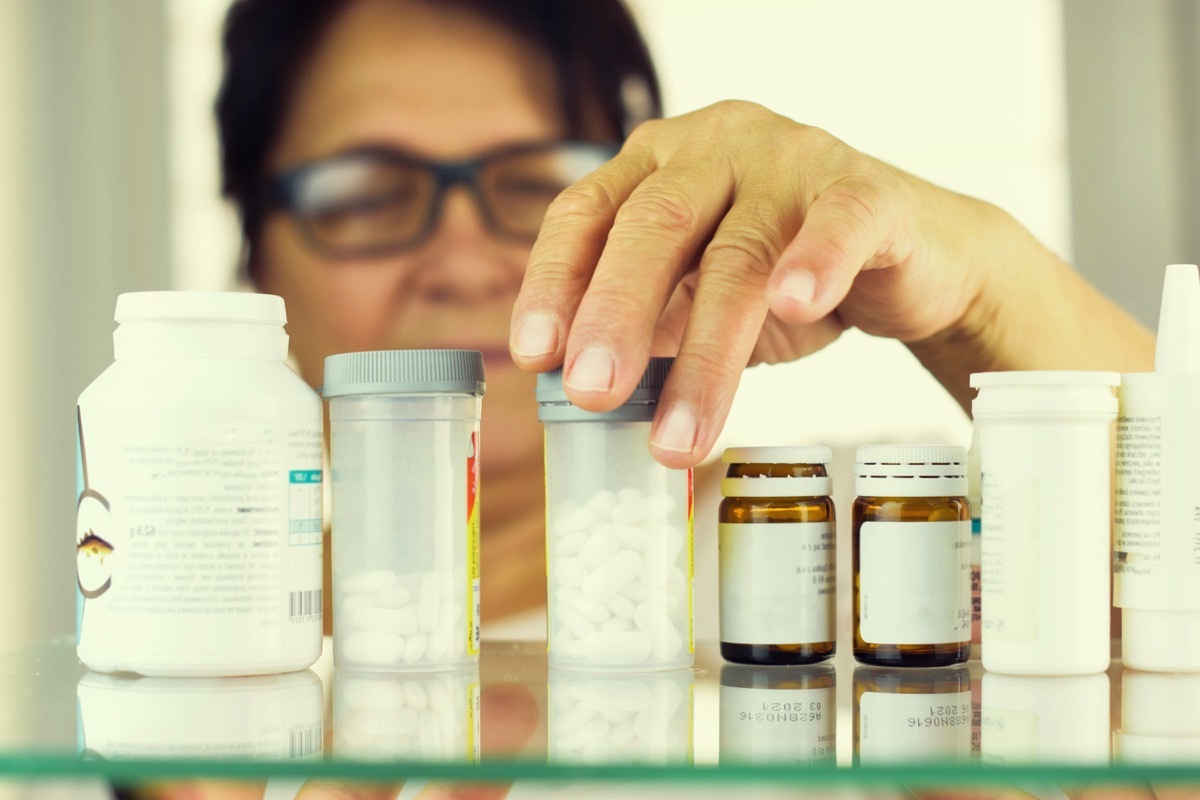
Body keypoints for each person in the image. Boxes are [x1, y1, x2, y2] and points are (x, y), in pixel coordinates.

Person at [216, 0, 1153, 641]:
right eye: (368, 192)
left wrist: (985, 293)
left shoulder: (847, 536)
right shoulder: (181, 629)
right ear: (258, 255)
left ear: (650, 215)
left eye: (539, 182)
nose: (462, 261)